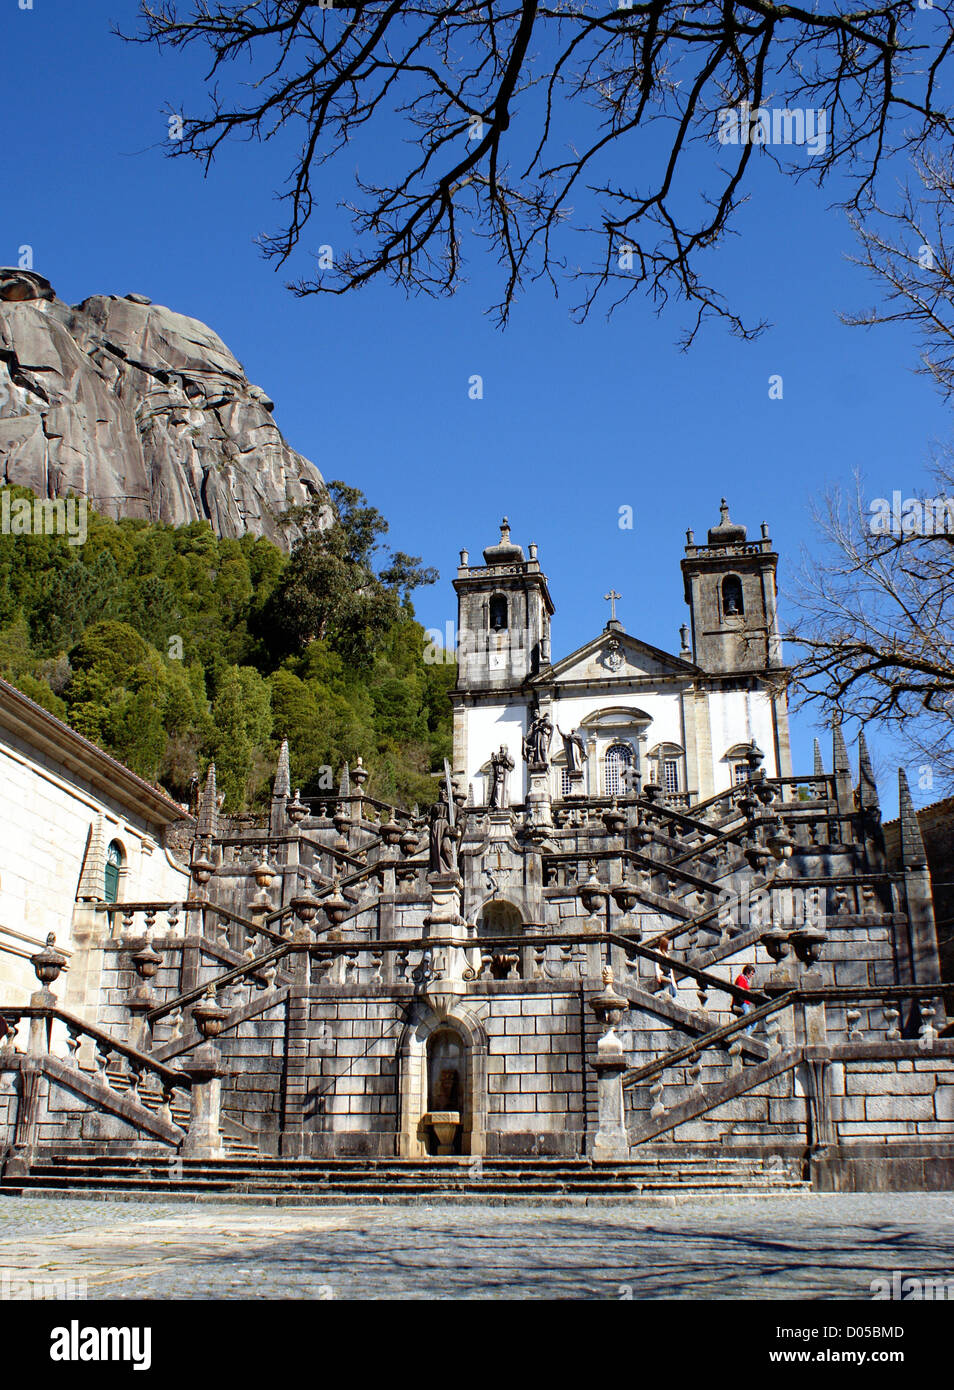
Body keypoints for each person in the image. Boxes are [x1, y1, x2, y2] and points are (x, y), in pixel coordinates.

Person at [735, 963, 757, 1033]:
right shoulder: (741, 979)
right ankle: (746, 1037)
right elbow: (740, 992)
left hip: (745, 1003)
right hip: (743, 1003)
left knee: (753, 1021)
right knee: (750, 1021)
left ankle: (747, 1036)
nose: (752, 976)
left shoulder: (743, 979)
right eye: (751, 974)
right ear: (747, 972)